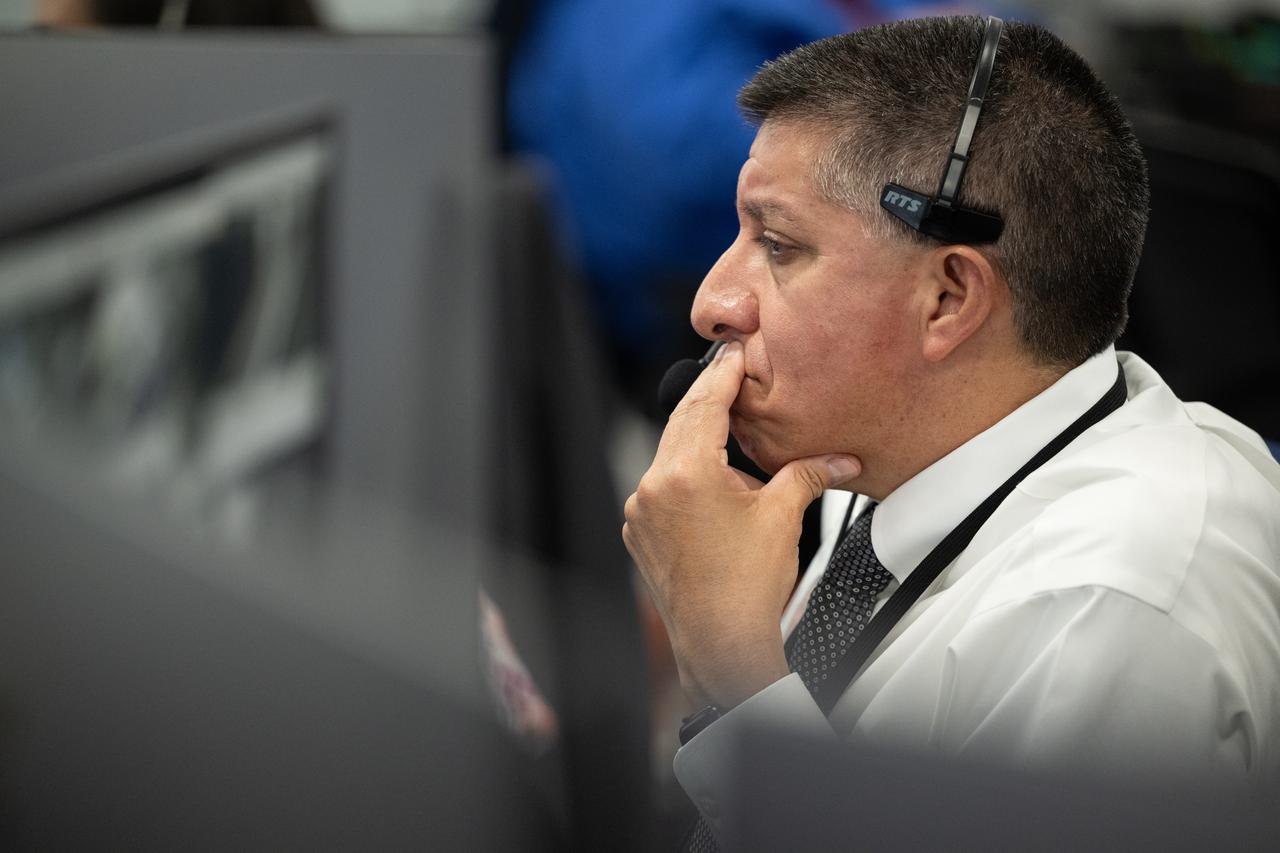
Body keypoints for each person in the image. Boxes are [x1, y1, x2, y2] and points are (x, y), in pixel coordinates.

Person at [621, 14, 1280, 847]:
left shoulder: (1104, 612)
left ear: (949, 299)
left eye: (778, 245)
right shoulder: (895, 464)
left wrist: (733, 673)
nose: (711, 303)